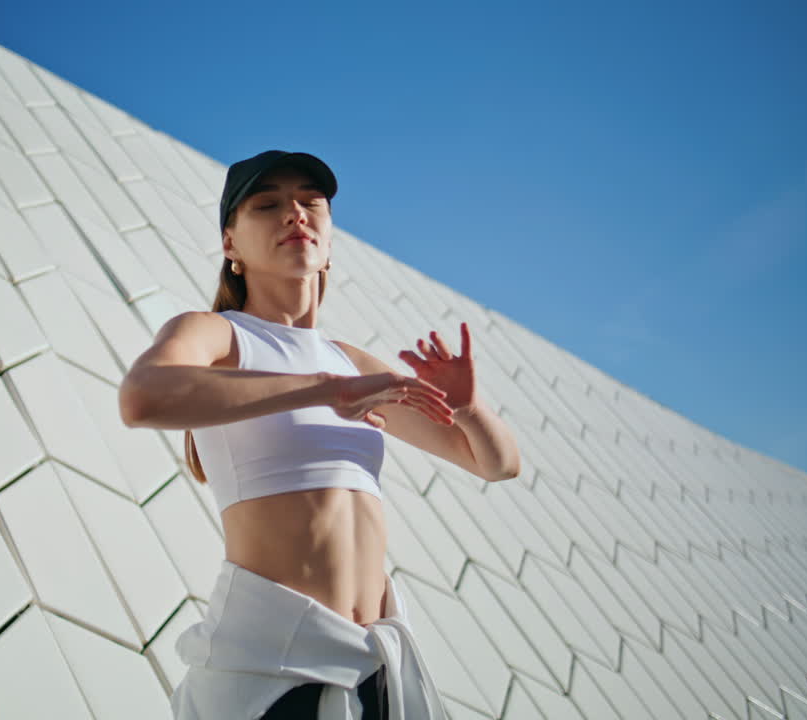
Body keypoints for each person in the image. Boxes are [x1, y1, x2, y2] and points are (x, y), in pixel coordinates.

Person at [118, 150, 521, 719]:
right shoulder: (216, 335)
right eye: (268, 204)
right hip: (275, 672)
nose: (295, 214)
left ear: (329, 241)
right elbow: (142, 397)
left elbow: (496, 464)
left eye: (311, 202)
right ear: (230, 244)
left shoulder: (349, 362)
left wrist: (469, 409)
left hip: (374, 670)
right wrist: (320, 391)